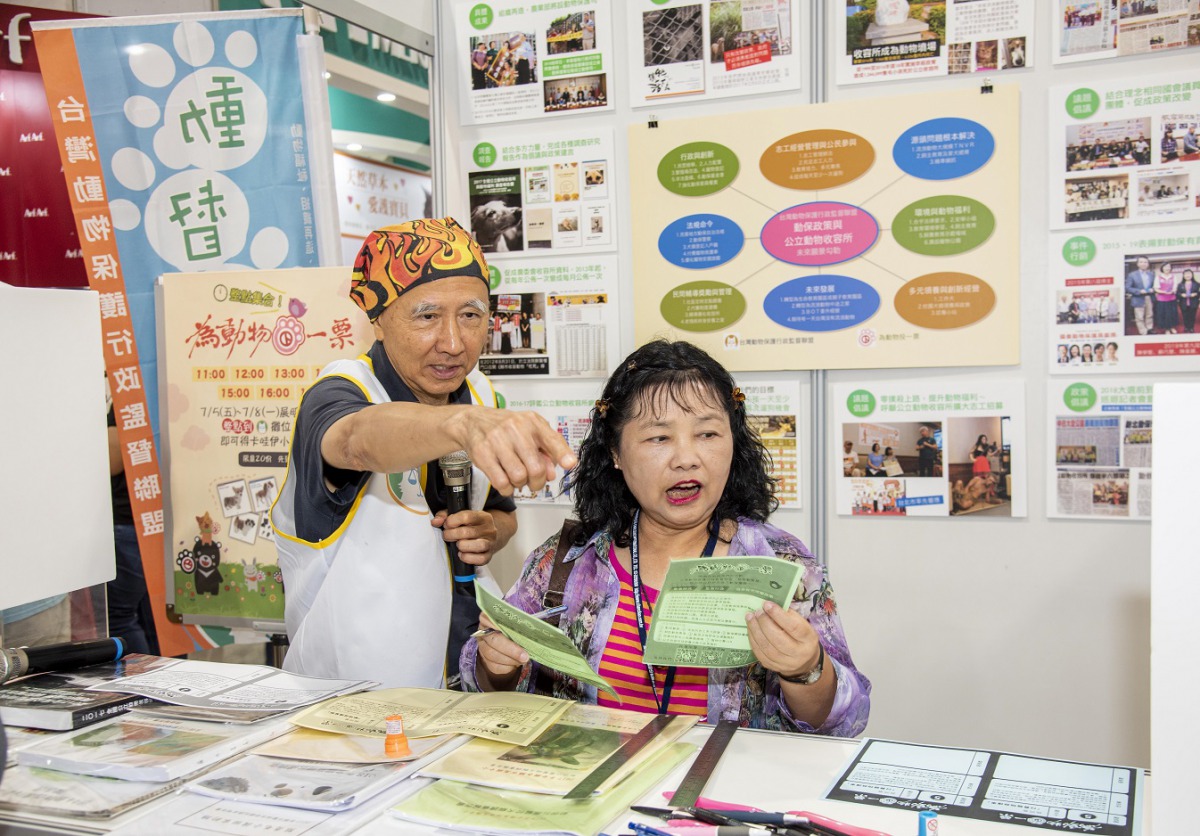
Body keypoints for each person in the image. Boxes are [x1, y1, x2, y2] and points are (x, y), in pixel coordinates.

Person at [461, 340, 870, 735]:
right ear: (616, 454)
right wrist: (497, 664)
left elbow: (842, 721)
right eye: (659, 438)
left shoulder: (782, 565)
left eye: (707, 434)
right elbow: (483, 688)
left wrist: (806, 669)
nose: (686, 458)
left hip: (716, 796)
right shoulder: (567, 561)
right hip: (597, 795)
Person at [271, 217, 576, 688]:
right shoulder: (339, 391)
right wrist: (460, 425)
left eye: (471, 315)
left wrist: (489, 532)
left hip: (468, 675)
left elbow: (501, 514)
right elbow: (355, 440)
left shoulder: (479, 394)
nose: (453, 343)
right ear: (378, 318)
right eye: (427, 316)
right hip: (351, 700)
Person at [107, 398, 159, 655]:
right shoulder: (166, 377)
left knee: (119, 619)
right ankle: (163, 687)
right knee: (158, 620)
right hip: (156, 521)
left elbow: (112, 460)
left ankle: (138, 686)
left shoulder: (128, 390)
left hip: (129, 522)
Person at [1125, 256, 1155, 335]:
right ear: (1137, 264)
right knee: (1139, 317)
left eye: (1145, 262)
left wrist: (1153, 289)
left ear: (1148, 264)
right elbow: (1127, 288)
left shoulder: (1151, 274)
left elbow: (1154, 285)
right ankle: (1143, 332)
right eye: (1141, 262)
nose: (1143, 264)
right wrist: (1139, 291)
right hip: (1138, 298)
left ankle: (1149, 329)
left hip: (1149, 297)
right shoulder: (1132, 275)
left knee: (1150, 314)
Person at [1155, 262, 1179, 334]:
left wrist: (1173, 290)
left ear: (1171, 268)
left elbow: (1175, 286)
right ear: (1162, 268)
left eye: (1168, 267)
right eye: (1165, 267)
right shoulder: (1158, 277)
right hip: (1162, 299)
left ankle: (1172, 327)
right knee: (1164, 314)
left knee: (1172, 313)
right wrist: (1164, 292)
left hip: (1172, 298)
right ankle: (1167, 329)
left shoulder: (1173, 276)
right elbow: (1156, 288)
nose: (1167, 268)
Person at [1176, 268, 1199, 333]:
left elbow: (1198, 293)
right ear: (1183, 275)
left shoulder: (1197, 284)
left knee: (1192, 316)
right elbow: (1177, 294)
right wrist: (1181, 295)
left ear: (1192, 275)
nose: (1187, 275)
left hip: (1193, 302)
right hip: (1183, 303)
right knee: (1185, 316)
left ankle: (1191, 328)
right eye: (1186, 274)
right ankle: (1186, 327)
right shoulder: (1180, 284)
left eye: (1189, 274)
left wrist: (1196, 294)